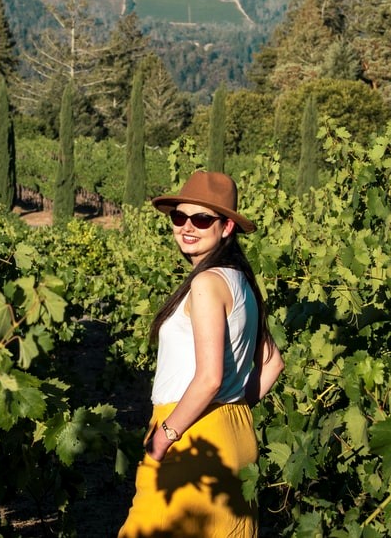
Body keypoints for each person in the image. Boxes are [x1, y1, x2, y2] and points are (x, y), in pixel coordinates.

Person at [119, 170, 284, 538]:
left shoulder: (208, 283)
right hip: (233, 432)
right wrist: (234, 405)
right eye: (180, 217)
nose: (187, 227)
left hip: (191, 435)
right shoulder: (240, 280)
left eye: (202, 219)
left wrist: (164, 436)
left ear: (226, 227)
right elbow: (273, 362)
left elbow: (208, 378)